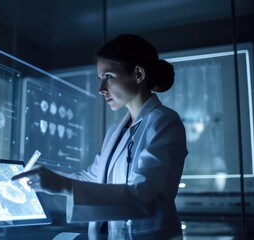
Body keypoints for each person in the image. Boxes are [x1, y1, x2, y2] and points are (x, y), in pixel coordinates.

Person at [12, 34, 188, 240]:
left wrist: (63, 185)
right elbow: (93, 178)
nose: (101, 89)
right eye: (100, 78)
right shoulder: (116, 129)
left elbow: (143, 195)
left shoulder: (164, 121)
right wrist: (45, 176)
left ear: (138, 74)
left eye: (109, 77)